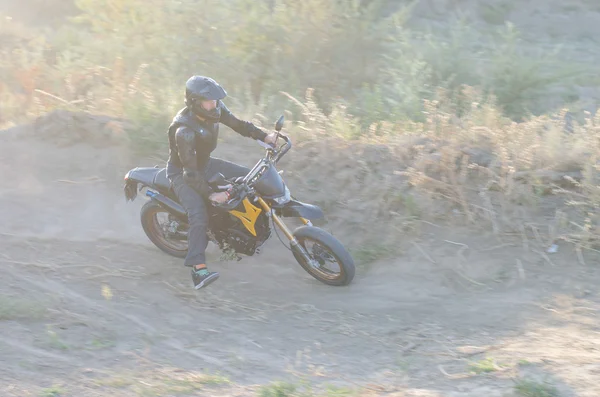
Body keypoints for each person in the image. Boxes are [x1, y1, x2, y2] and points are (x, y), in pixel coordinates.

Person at [166, 75, 278, 290]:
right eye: (209, 101)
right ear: (194, 102)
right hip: (183, 173)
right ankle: (198, 270)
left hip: (205, 164)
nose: (214, 104)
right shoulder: (184, 130)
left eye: (215, 100)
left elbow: (239, 125)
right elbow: (190, 174)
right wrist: (210, 194)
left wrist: (265, 137)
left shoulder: (215, 112)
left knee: (252, 178)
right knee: (199, 215)